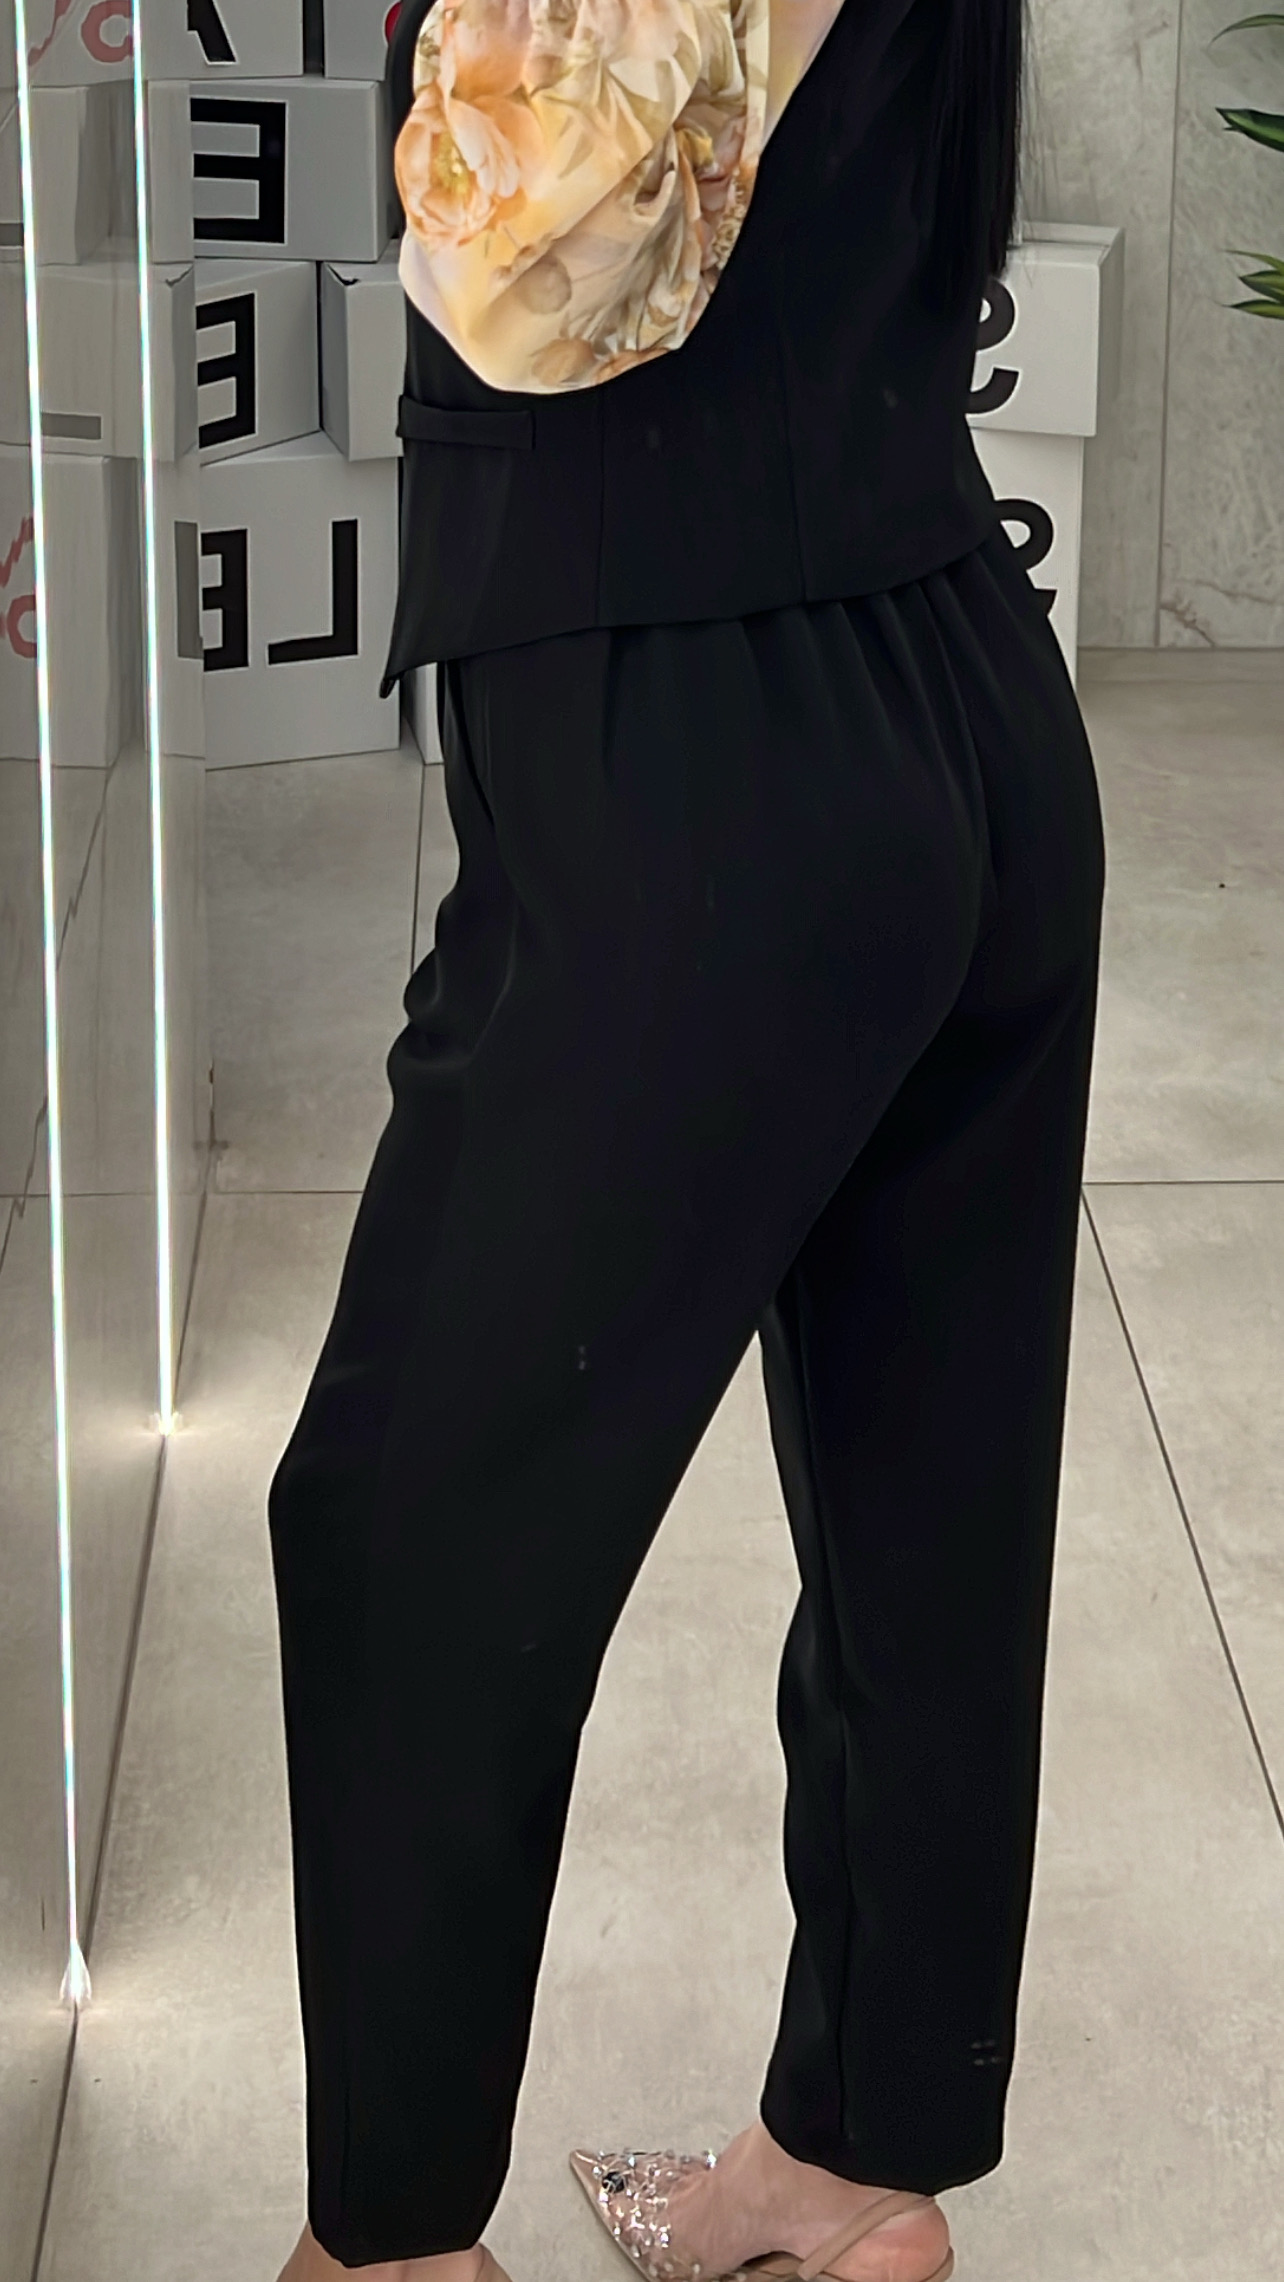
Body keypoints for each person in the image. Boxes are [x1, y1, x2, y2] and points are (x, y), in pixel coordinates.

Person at [268, 0, 1105, 2274]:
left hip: (695, 711)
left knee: (409, 1518)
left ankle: (385, 2250)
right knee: (929, 1491)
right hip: (956, 661)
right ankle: (847, 2174)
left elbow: (518, 252)